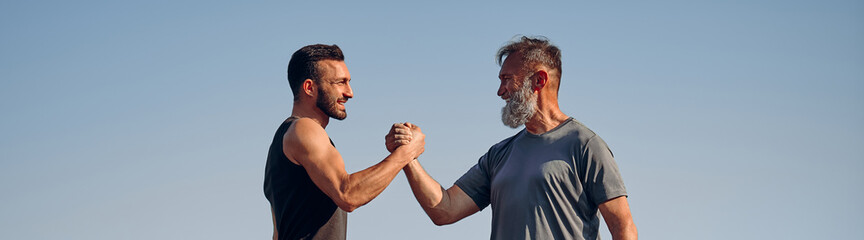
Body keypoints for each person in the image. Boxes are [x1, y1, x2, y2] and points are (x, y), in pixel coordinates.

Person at [388, 36, 637, 239]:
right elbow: (445, 209)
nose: (500, 91)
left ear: (539, 80)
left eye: (507, 79)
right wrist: (407, 157)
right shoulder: (499, 155)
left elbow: (624, 229)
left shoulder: (585, 145)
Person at [264, 44, 425, 240]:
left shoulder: (283, 142)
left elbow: (277, 234)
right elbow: (348, 194)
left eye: (348, 82)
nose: (349, 93)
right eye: (340, 83)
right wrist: (406, 152)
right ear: (309, 88)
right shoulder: (303, 129)